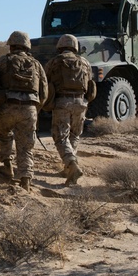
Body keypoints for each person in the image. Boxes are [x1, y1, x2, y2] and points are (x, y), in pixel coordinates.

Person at [0, 31, 48, 191]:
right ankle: (25, 180)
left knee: (4, 135)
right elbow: (44, 91)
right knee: (25, 146)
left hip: (7, 107)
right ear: (27, 46)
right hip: (30, 109)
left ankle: (7, 165)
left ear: (11, 45)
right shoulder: (36, 65)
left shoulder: (2, 61)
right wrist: (36, 109)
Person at [43, 34, 96, 186]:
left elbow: (46, 83)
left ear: (60, 46)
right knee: (74, 135)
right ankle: (69, 167)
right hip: (81, 102)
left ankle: (72, 164)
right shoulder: (85, 62)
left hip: (62, 102)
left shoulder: (54, 62)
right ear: (75, 47)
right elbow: (90, 83)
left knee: (60, 137)